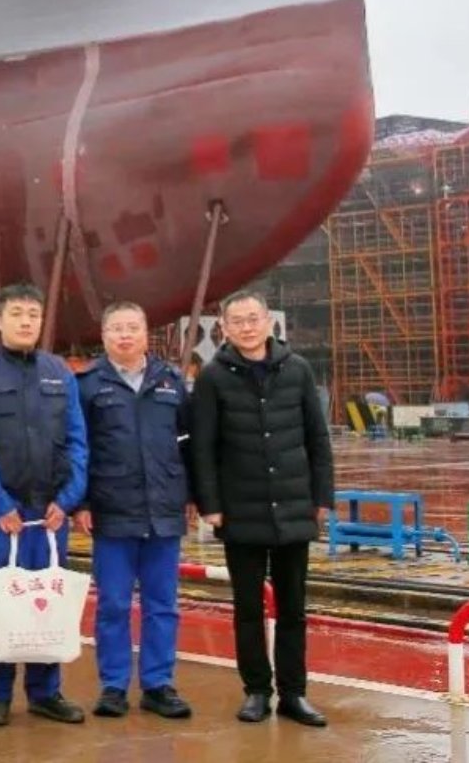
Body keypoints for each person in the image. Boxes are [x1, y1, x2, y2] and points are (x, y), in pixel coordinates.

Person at [190, 290, 334, 728]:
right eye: (238, 321)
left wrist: (322, 498)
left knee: (293, 608)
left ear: (268, 321)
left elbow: (317, 438)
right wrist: (210, 505)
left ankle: (294, 694)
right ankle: (256, 690)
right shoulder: (213, 377)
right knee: (248, 608)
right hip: (241, 509)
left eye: (253, 318)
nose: (247, 327)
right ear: (224, 328)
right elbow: (203, 447)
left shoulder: (298, 369)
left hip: (293, 505)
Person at [0, 282, 89, 728]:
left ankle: (45, 692)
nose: (26, 321)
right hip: (2, 517)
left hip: (49, 515)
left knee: (46, 602)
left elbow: (78, 440)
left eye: (33, 314)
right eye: (16, 313)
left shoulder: (60, 373)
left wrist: (67, 500)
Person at [73, 301, 193, 721]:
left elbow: (188, 444)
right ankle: (114, 686)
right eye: (116, 329)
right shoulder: (87, 386)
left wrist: (191, 497)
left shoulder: (171, 382)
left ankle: (158, 685)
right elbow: (77, 449)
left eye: (132, 328)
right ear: (104, 335)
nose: (125, 335)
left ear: (146, 333)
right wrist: (81, 503)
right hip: (112, 512)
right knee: (113, 604)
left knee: (163, 604)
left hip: (163, 511)